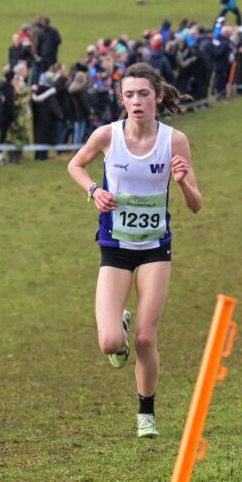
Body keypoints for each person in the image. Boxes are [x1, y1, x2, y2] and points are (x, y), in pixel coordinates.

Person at [67, 63, 202, 439]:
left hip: (155, 248)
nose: (137, 101)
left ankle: (146, 414)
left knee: (145, 338)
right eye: (129, 95)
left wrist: (182, 182)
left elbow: (196, 204)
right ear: (121, 100)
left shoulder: (174, 141)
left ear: (157, 97)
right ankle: (119, 325)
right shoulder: (107, 136)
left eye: (143, 94)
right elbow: (75, 165)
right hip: (115, 247)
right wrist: (94, 191)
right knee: (110, 342)